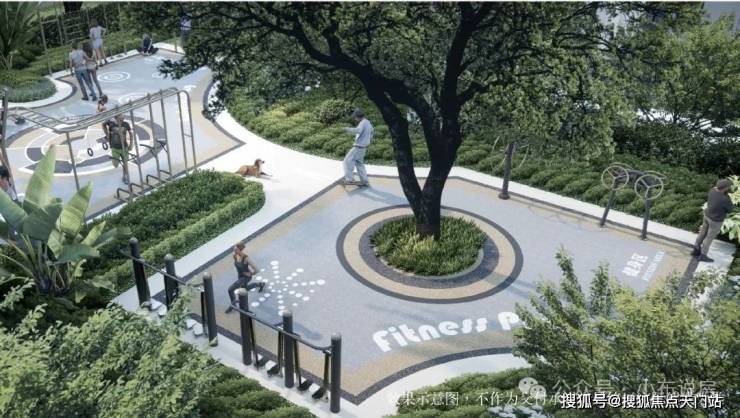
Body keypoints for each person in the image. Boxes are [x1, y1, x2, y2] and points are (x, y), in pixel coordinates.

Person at [692, 178, 735, 262]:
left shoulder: (712, 191)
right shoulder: (725, 199)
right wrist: (727, 197)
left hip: (707, 216)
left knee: (702, 233)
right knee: (709, 237)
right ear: (725, 188)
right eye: (729, 186)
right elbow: (730, 210)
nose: (730, 188)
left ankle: (696, 250)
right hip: (715, 221)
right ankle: (703, 255)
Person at [225, 242, 265, 313]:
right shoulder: (235, 256)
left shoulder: (246, 258)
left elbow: (257, 269)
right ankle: (260, 284)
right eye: (234, 249)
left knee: (230, 289)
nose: (234, 251)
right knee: (246, 288)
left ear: (240, 249)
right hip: (240, 276)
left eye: (236, 249)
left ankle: (233, 305)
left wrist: (250, 273)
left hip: (246, 277)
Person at [341, 108, 374, 187]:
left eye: (355, 117)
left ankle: (349, 179)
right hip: (363, 147)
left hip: (358, 147)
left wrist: (347, 129)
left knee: (346, 161)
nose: (355, 119)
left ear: (357, 116)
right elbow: (372, 132)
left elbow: (358, 130)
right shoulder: (368, 123)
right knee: (359, 164)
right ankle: (365, 181)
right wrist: (367, 141)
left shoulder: (363, 123)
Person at [103, 113, 133, 184]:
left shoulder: (126, 124)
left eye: (122, 116)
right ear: (116, 118)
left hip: (124, 148)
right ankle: (116, 161)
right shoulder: (111, 125)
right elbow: (104, 125)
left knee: (125, 164)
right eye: (121, 116)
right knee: (115, 165)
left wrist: (131, 144)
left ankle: (125, 177)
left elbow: (131, 133)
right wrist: (107, 136)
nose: (123, 117)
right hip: (115, 148)